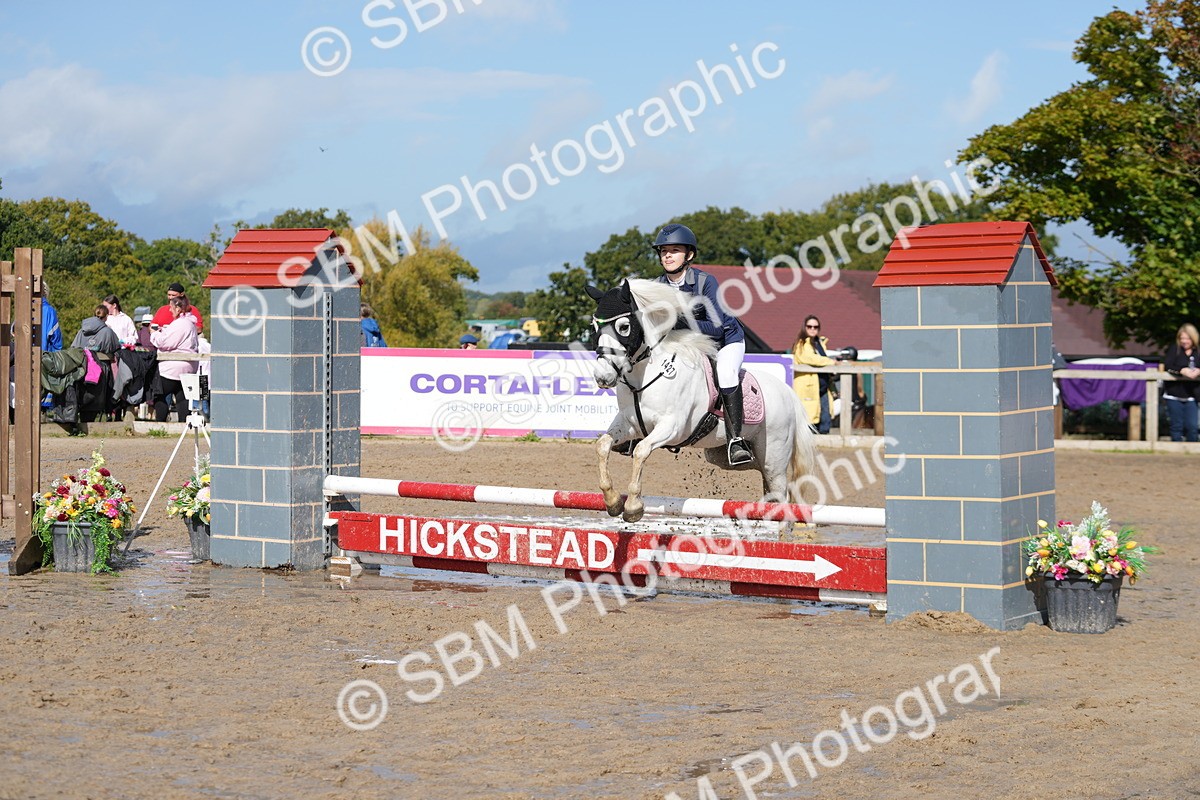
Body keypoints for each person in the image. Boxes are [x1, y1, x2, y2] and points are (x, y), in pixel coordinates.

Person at [652, 223, 752, 465]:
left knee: (726, 374)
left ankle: (736, 440)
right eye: (664, 251)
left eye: (675, 250)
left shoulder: (705, 281)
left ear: (689, 255)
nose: (668, 255)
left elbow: (716, 328)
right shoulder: (656, 285)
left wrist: (679, 322)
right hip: (690, 344)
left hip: (725, 341)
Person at [150, 296, 199, 422]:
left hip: (172, 368)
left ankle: (160, 423)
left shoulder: (180, 324)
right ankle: (184, 425)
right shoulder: (191, 324)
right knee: (182, 397)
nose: (170, 310)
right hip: (188, 367)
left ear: (178, 308)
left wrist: (154, 334)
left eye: (171, 307)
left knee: (160, 395)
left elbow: (166, 343)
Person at [792, 315, 841, 435]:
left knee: (825, 418)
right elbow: (809, 358)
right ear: (804, 327)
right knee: (809, 419)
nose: (812, 329)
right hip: (808, 387)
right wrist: (831, 362)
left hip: (823, 386)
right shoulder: (801, 343)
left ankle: (824, 440)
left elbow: (819, 359)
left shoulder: (819, 343)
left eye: (816, 327)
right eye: (809, 326)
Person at [1163, 322, 1200, 442]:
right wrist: (1181, 370)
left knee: (1192, 427)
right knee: (1176, 426)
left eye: (1187, 338)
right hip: (1174, 393)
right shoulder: (1175, 349)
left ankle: (1192, 449)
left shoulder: (1197, 351)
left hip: (1192, 395)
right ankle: (1176, 449)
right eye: (1182, 338)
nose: (1184, 341)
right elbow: (1168, 365)